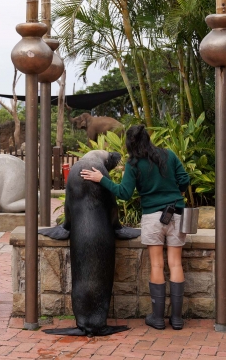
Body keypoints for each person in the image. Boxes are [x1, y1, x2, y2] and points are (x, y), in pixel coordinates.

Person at [81, 124, 190, 330]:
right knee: (176, 264)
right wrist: (175, 191)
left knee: (157, 265)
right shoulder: (169, 155)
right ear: (148, 138)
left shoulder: (134, 164)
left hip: (153, 218)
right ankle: (177, 319)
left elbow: (124, 193)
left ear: (130, 144)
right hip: (176, 212)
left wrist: (101, 179)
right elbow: (184, 180)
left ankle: (158, 319)